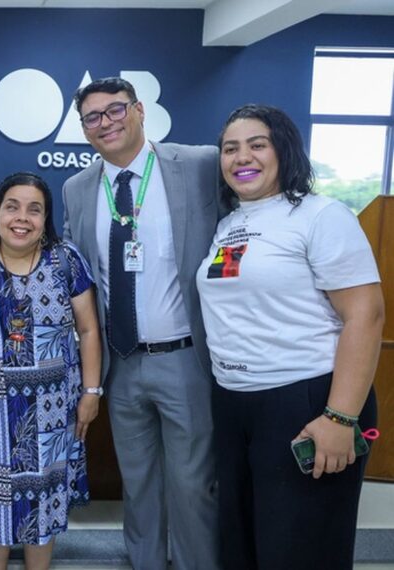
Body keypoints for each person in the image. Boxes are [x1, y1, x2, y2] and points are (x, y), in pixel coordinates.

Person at [197, 104, 383, 570]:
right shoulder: (228, 224)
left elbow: (366, 314)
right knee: (245, 545)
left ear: (284, 149)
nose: (243, 157)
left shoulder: (321, 216)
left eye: (258, 144)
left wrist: (340, 418)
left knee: (300, 549)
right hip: (235, 403)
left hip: (306, 400)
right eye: (230, 148)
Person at [61, 77, 224, 570]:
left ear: (138, 111)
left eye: (115, 111)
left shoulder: (197, 164)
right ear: (84, 129)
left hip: (184, 358)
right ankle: (146, 563)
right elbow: (76, 274)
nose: (106, 123)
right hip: (122, 362)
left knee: (194, 483)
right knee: (138, 481)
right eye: (93, 117)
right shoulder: (77, 188)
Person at [0, 172, 101, 569]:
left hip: (52, 413)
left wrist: (91, 393)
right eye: (12, 206)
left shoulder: (66, 260)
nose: (22, 217)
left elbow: (87, 330)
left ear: (46, 217)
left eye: (34, 209)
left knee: (43, 505)